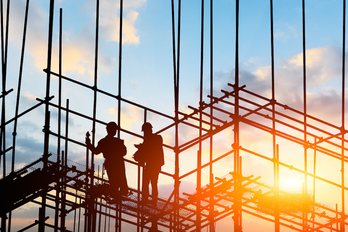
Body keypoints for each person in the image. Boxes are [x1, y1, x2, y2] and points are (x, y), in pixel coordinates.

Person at [85, 122, 128, 197]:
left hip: (111, 164)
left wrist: (89, 144)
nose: (115, 132)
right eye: (115, 130)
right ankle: (118, 195)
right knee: (121, 182)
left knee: (114, 183)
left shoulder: (103, 142)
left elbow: (96, 151)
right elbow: (124, 152)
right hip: (118, 164)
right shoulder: (117, 141)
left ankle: (116, 195)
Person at [137, 122, 165, 205]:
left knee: (151, 182)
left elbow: (150, 148)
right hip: (151, 164)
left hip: (154, 165)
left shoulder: (156, 138)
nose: (144, 134)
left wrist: (142, 147)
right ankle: (148, 199)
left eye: (145, 132)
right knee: (149, 183)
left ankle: (152, 200)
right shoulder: (151, 139)